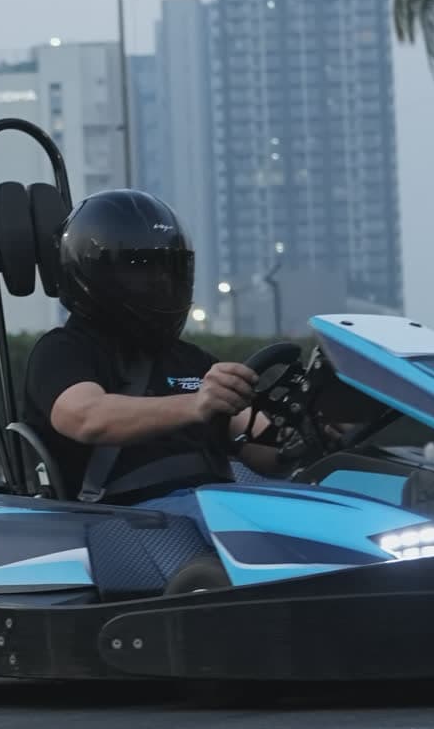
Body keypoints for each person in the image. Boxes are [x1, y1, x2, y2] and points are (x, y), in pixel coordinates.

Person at [22, 189, 273, 502]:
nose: (162, 281)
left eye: (169, 267)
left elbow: (265, 452)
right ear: (95, 272)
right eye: (141, 266)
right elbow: (87, 417)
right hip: (119, 527)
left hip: (215, 517)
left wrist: (309, 431)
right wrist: (195, 404)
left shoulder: (194, 361)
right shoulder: (62, 350)